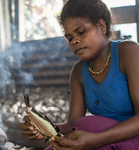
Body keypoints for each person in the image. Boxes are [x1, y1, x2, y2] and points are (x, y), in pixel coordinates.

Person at [20, 0, 139, 149]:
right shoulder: (78, 72)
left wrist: (96, 139)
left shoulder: (128, 52)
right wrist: (45, 129)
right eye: (69, 38)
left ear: (101, 27)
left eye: (81, 32)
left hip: (132, 139)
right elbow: (72, 124)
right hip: (100, 140)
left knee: (87, 123)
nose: (75, 41)